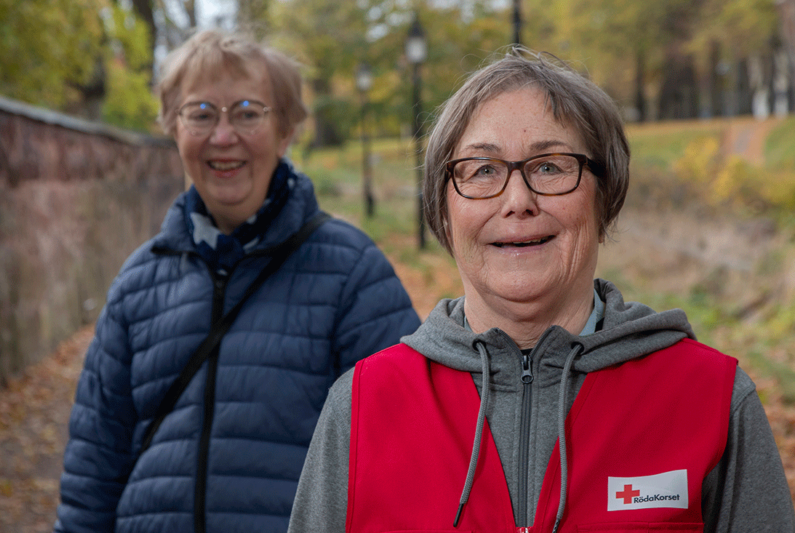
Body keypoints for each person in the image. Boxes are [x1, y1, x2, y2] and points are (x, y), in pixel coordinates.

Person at [288, 47, 795, 533]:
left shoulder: (709, 401)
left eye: (550, 166)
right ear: (443, 210)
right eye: (482, 170)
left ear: (605, 196)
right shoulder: (362, 408)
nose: (517, 200)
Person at [54, 29, 421, 533]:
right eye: (201, 113)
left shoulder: (352, 273)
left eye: (248, 112)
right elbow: (93, 471)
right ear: (172, 128)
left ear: (286, 129)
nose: (223, 137)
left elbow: (405, 462)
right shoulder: (137, 284)